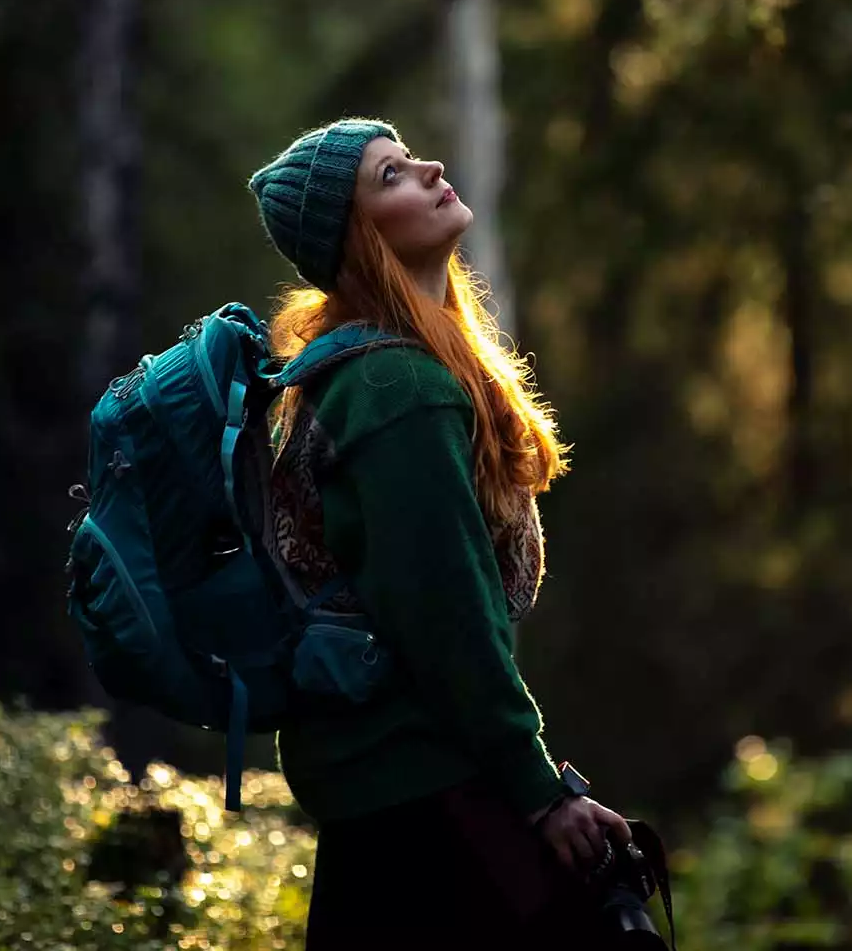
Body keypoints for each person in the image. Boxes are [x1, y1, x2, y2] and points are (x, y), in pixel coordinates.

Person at [246, 119, 633, 949]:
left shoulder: (360, 369)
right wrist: (539, 790)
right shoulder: (394, 388)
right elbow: (448, 616)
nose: (430, 169)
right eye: (391, 176)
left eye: (410, 157)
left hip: (388, 788)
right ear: (359, 237)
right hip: (423, 797)